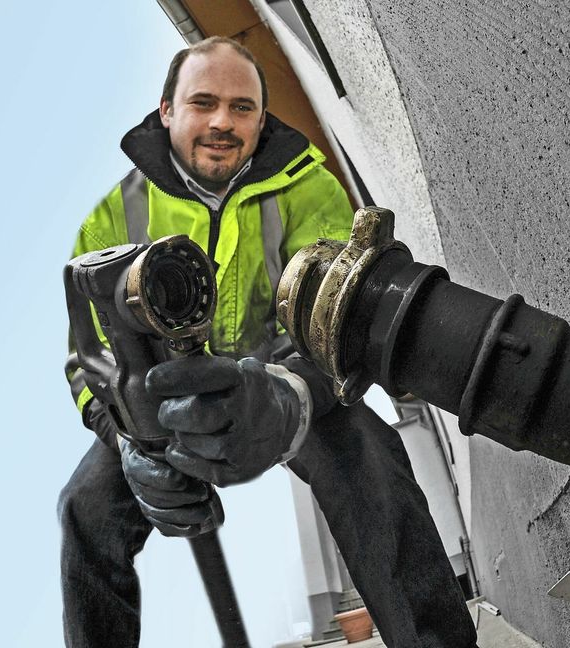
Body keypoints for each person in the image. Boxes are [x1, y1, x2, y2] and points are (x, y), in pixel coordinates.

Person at [59, 36, 476, 648]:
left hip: (288, 386)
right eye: (203, 103)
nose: (223, 122)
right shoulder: (114, 215)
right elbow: (84, 351)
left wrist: (290, 396)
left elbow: (339, 315)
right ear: (167, 110)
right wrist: (122, 434)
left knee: (370, 460)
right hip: (162, 410)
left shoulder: (309, 189)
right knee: (85, 511)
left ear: (261, 117)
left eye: (242, 107)